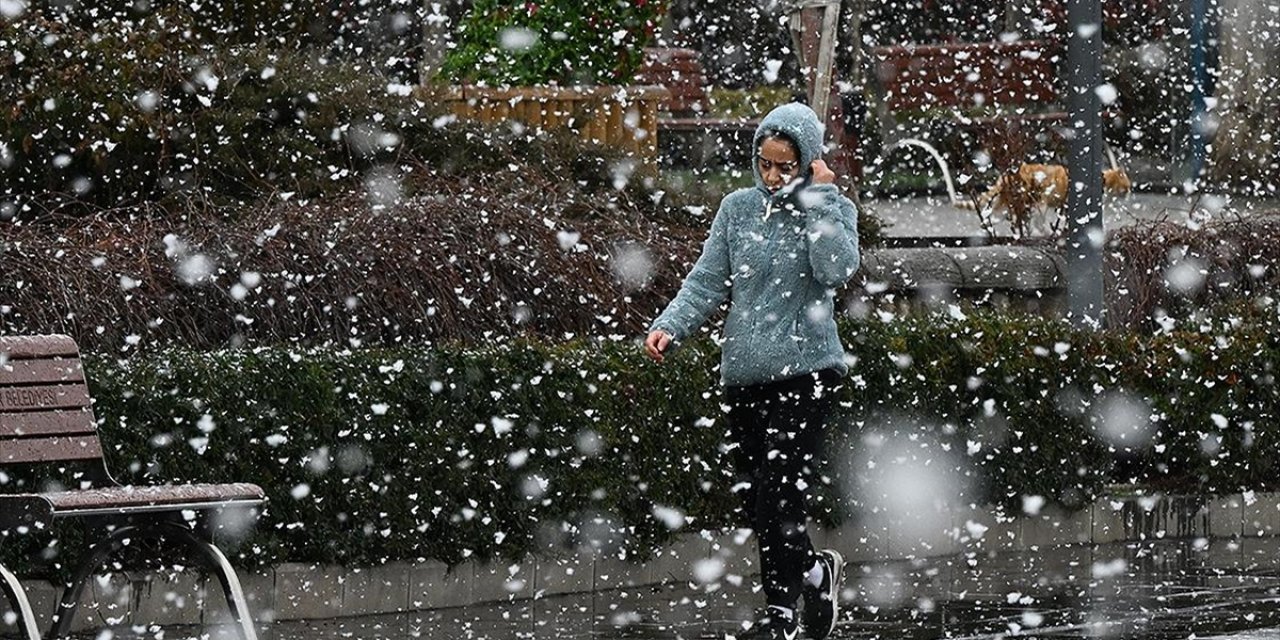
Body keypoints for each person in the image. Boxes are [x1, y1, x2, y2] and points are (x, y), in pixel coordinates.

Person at [644, 102, 860, 640]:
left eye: (785, 165)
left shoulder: (828, 206)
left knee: (777, 496)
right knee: (756, 501)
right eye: (764, 163)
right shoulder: (737, 209)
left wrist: (819, 197)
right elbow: (707, 280)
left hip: (807, 372)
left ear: (809, 162)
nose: (772, 176)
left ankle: (780, 615)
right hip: (744, 375)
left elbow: (836, 269)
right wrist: (672, 324)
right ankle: (814, 573)